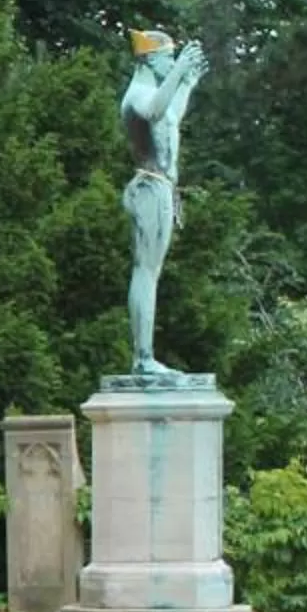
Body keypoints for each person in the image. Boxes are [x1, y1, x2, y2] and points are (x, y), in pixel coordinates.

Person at [120, 28, 207, 379]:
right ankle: (143, 358)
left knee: (151, 272)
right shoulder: (139, 93)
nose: (172, 63)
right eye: (168, 58)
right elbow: (155, 112)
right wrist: (178, 71)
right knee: (146, 270)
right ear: (150, 58)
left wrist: (187, 82)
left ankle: (146, 356)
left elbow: (170, 118)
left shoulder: (154, 89)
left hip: (161, 189)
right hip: (148, 188)